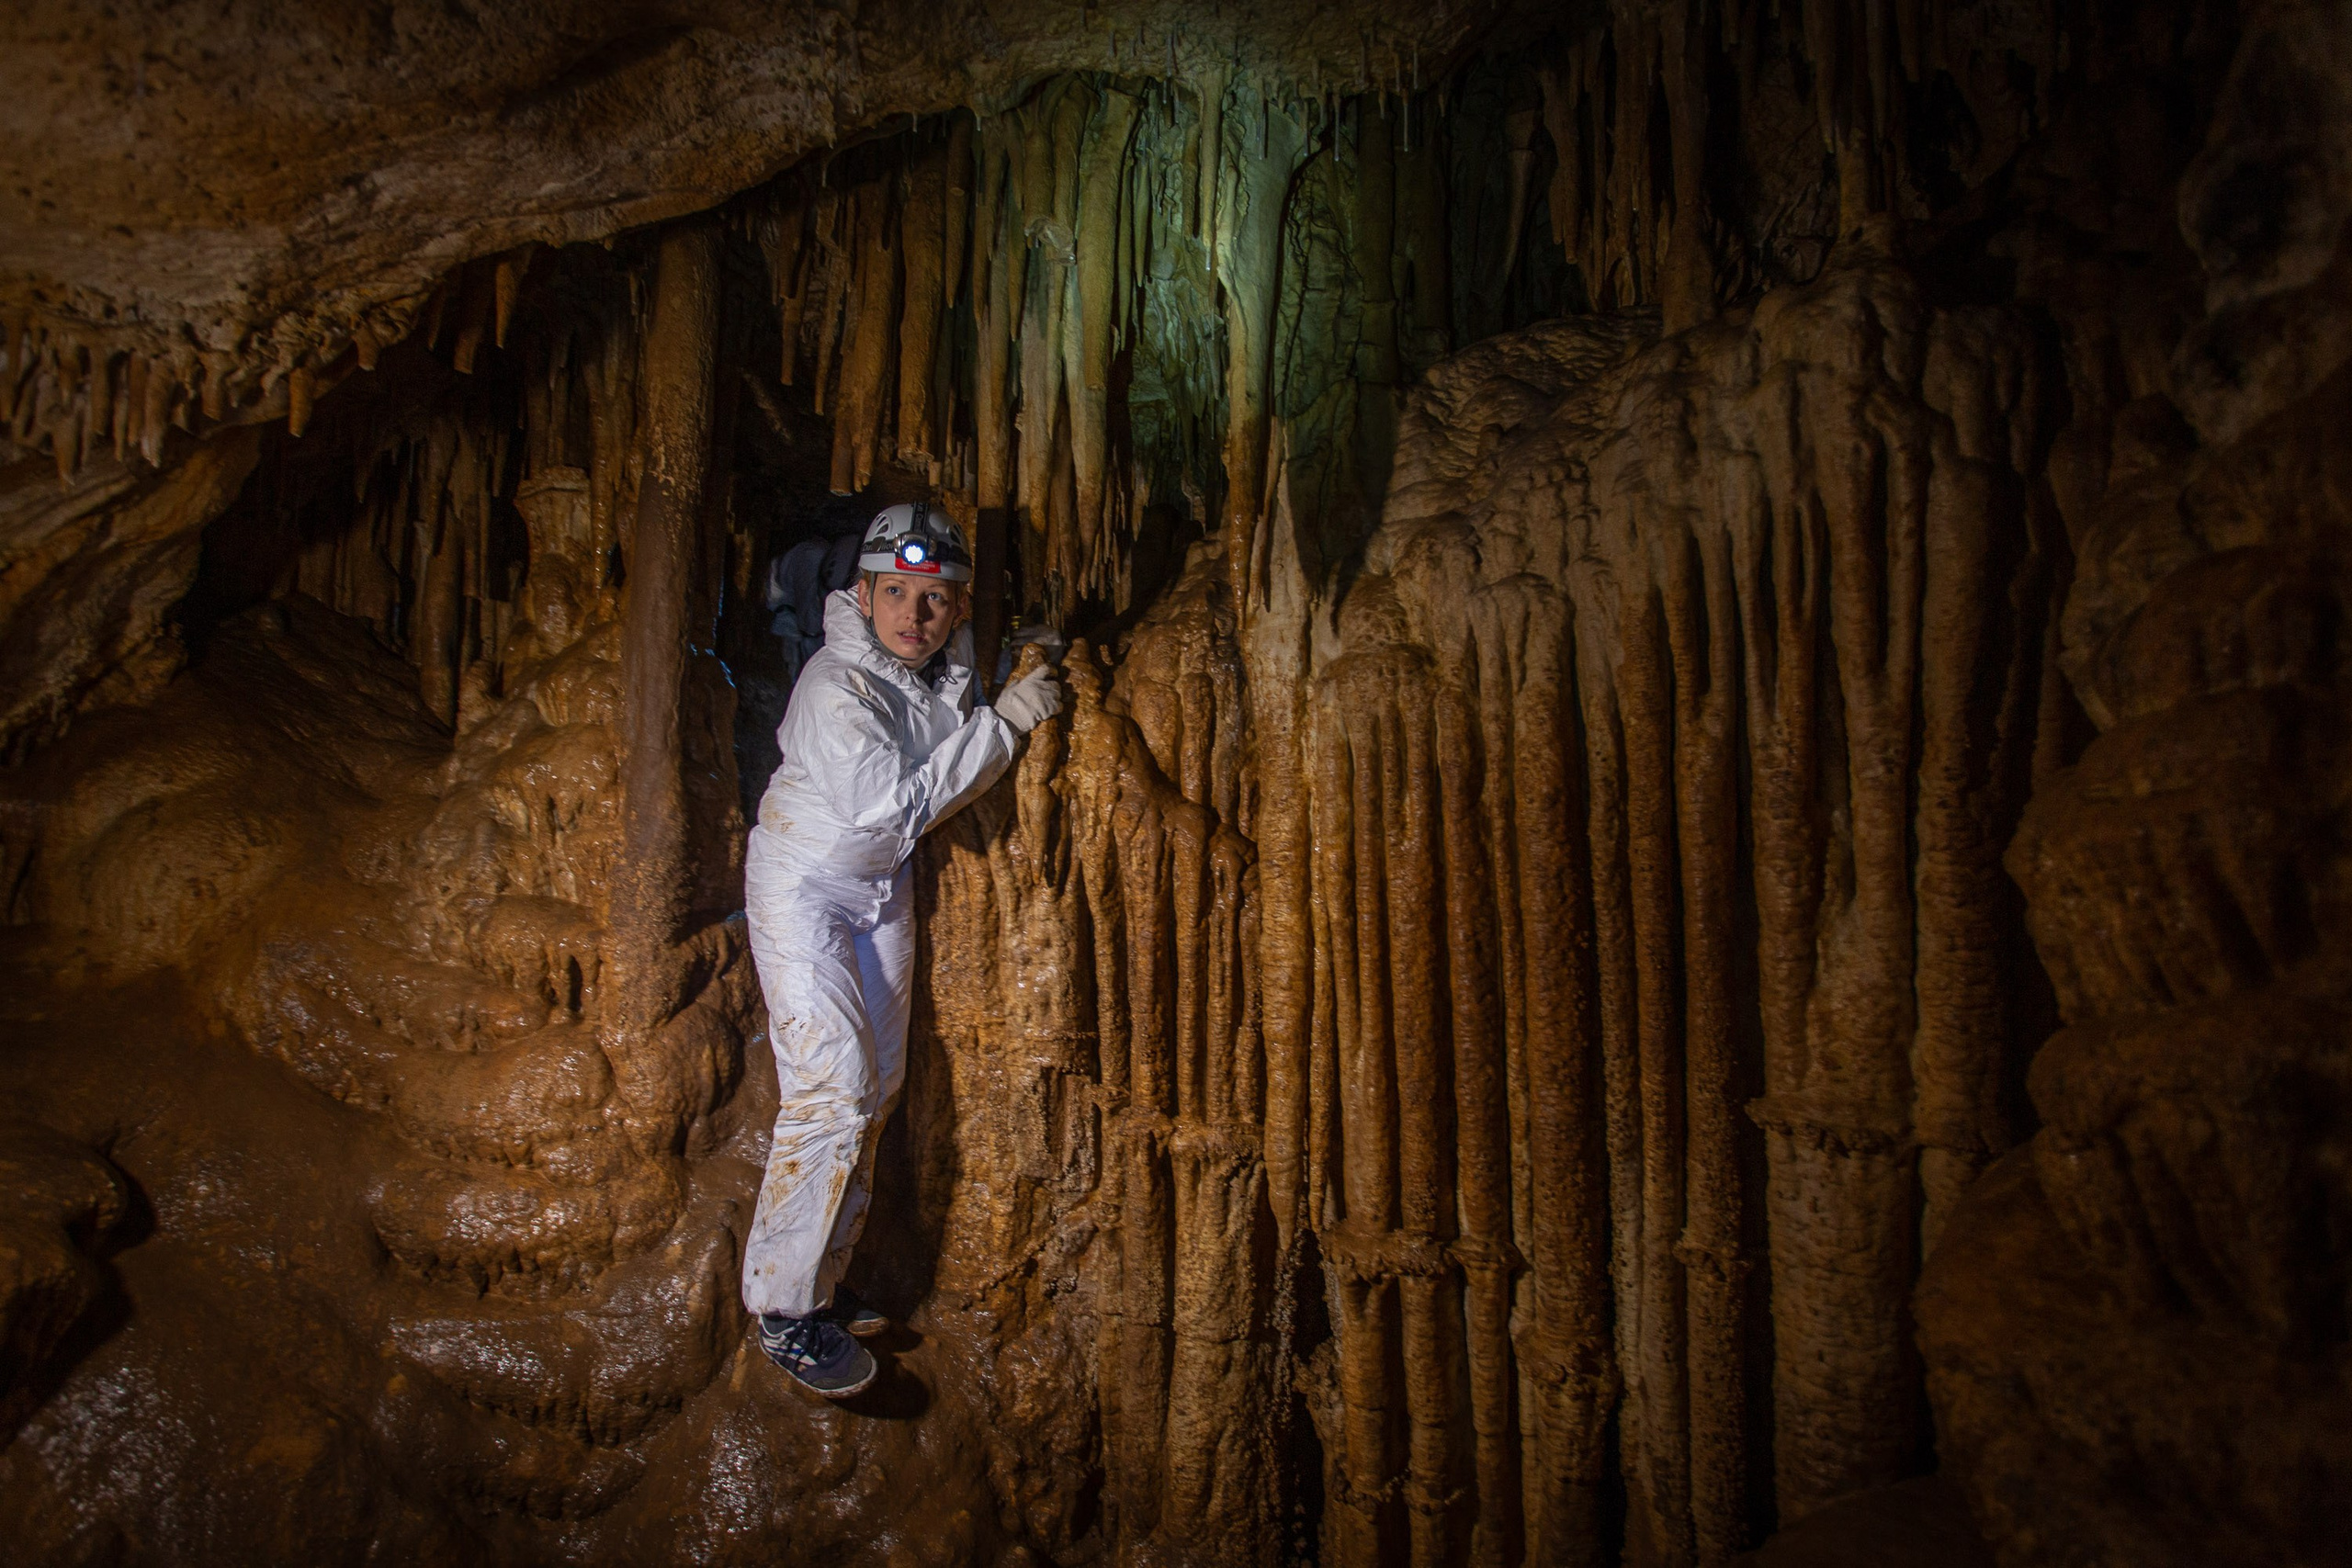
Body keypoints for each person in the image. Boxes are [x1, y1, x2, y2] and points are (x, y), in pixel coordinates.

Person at [741, 502, 1065, 1397]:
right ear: (863, 595)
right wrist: (1005, 726)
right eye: (896, 594)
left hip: (879, 887)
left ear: (956, 608)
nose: (913, 615)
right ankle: (782, 1310)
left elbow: (951, 705)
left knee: (877, 1088)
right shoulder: (834, 685)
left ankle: (821, 1278)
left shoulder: (936, 665)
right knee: (833, 1086)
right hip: (804, 884)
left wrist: (1019, 660)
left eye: (934, 599)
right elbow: (894, 806)